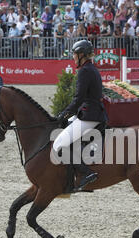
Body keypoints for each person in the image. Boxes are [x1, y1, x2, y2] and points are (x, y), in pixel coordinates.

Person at [54, 40, 108, 191]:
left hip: (90, 116)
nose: (72, 57)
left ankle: (86, 173)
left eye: (74, 54)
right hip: (93, 111)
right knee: (65, 127)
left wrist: (64, 113)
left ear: (81, 55)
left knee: (59, 144)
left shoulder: (84, 71)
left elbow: (78, 98)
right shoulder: (91, 68)